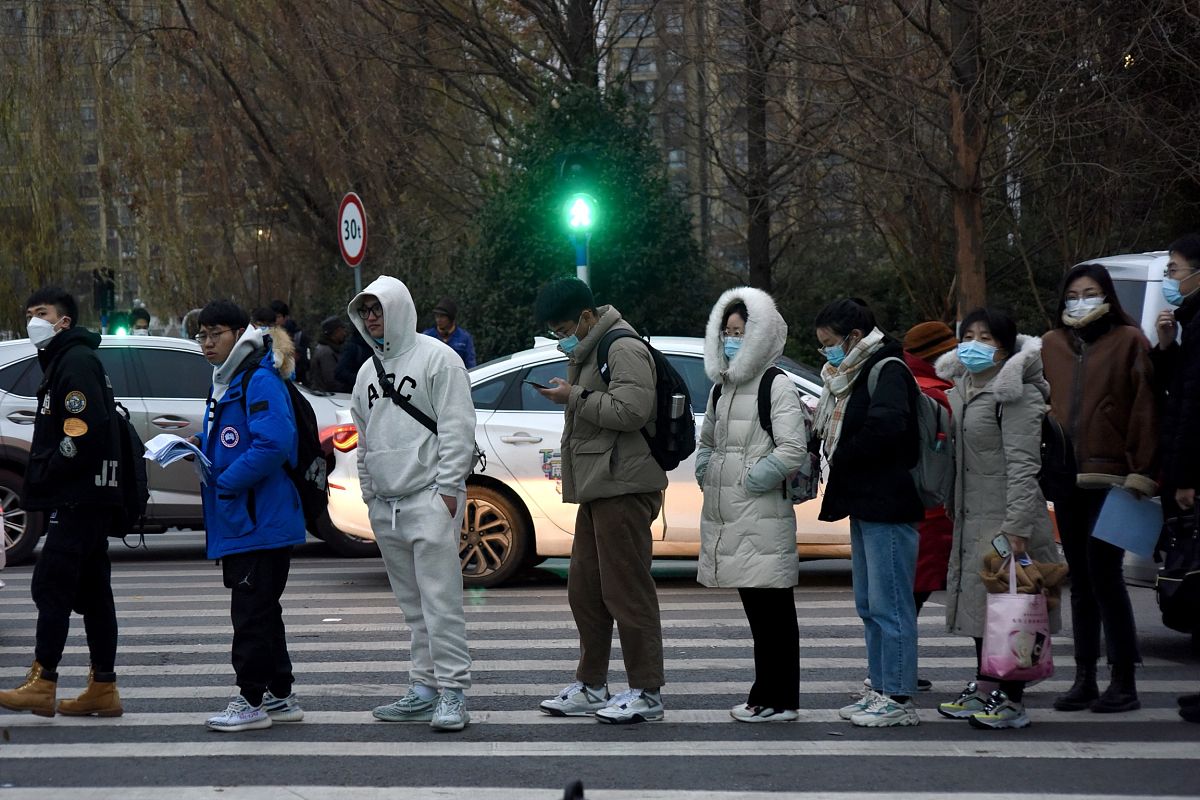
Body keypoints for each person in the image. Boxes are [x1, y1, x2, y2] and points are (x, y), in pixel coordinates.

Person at [532, 277, 668, 724]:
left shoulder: (621, 347)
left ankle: (646, 692)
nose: (560, 337)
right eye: (554, 330)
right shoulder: (588, 351)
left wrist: (574, 396)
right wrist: (574, 395)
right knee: (585, 591)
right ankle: (592, 685)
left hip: (624, 487)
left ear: (587, 317)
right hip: (599, 485)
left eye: (564, 327)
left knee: (627, 592)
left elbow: (632, 411)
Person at [348, 276, 476, 732]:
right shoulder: (367, 372)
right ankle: (423, 689)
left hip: (428, 498)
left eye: (378, 308)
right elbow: (363, 440)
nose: (371, 317)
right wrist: (369, 495)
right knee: (412, 606)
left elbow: (458, 429)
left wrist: (447, 492)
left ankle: (453, 692)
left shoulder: (439, 359)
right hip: (387, 504)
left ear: (399, 308)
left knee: (442, 602)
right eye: (364, 311)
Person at [934, 308, 1064, 730]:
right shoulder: (965, 388)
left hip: (1008, 519)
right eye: (967, 335)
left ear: (1005, 347)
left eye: (985, 337)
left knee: (1014, 609)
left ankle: (1012, 701)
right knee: (982, 609)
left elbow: (1024, 466)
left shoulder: (1018, 394)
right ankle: (987, 685)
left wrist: (1018, 528)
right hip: (975, 516)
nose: (973, 343)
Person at [0, 288, 125, 718]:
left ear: (63, 321)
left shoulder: (74, 361)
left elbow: (82, 431)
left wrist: (51, 470)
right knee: (93, 592)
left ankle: (44, 680)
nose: (33, 320)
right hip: (85, 494)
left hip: (80, 495)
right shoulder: (64, 361)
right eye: (30, 312)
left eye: (42, 313)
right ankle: (102, 687)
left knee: (50, 584)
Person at [1041, 263, 1157, 714]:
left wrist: (1142, 470)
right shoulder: (1051, 344)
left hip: (1114, 478)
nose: (1080, 301)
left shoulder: (1129, 341)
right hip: (1067, 477)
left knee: (1105, 575)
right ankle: (1084, 676)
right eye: (1073, 294)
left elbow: (1146, 407)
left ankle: (1123, 680)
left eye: (1089, 292)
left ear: (1106, 296)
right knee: (1082, 581)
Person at [695, 288, 808, 723]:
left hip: (761, 514)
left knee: (774, 614)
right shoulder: (722, 387)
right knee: (759, 614)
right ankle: (766, 694)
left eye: (740, 332)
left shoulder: (775, 383)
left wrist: (748, 480)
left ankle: (780, 699)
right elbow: (707, 441)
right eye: (726, 332)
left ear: (760, 335)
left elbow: (792, 448)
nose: (732, 339)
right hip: (733, 515)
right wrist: (707, 472)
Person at [195, 300, 307, 732]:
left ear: (239, 332)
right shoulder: (229, 378)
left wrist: (226, 480)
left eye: (214, 334)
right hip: (246, 518)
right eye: (201, 335)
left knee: (251, 614)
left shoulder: (258, 378)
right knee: (263, 609)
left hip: (261, 519)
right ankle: (280, 694)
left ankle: (249, 700)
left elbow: (273, 444)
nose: (206, 343)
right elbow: (239, 439)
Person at [813, 298, 922, 728]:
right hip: (865, 502)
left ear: (854, 337)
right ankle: (879, 686)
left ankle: (897, 695)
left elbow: (888, 427)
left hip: (890, 502)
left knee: (891, 605)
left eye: (829, 343)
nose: (826, 353)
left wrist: (843, 453)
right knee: (869, 604)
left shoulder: (887, 368)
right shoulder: (853, 373)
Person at [1150, 233, 1200, 724]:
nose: (1170, 278)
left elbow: (1192, 407)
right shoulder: (1189, 323)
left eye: (1175, 269)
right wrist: (1166, 347)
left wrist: (1183, 475)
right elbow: (1175, 390)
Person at [901, 321, 958, 693]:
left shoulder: (910, 384)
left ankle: (900, 665)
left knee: (912, 594)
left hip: (919, 508)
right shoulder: (934, 394)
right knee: (915, 595)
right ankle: (899, 668)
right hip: (935, 510)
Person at [422, 297, 477, 369]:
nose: (438, 320)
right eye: (437, 316)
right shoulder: (427, 336)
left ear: (451, 318)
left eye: (442, 317)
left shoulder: (464, 338)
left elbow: (471, 365)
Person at [272, 300, 310, 383]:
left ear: (285, 317)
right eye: (273, 317)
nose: (275, 321)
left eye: (278, 317)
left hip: (298, 382)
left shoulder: (298, 335)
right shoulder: (269, 335)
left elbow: (306, 364)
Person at [308, 316, 349, 393]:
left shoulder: (330, 349)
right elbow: (331, 381)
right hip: (329, 399)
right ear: (335, 332)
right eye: (342, 330)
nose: (344, 333)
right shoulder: (326, 352)